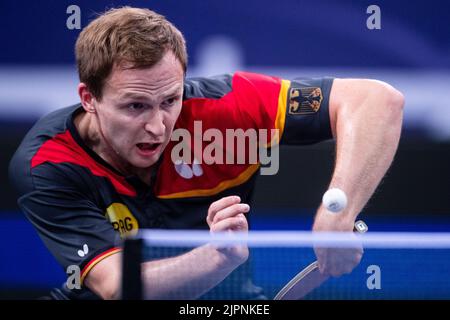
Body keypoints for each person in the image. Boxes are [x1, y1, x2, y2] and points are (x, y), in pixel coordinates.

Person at [9, 7, 404, 300]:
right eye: (135, 106)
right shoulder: (48, 162)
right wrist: (218, 257)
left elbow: (377, 101)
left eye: (170, 100)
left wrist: (339, 212)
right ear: (88, 98)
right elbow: (116, 285)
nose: (158, 125)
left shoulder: (228, 108)